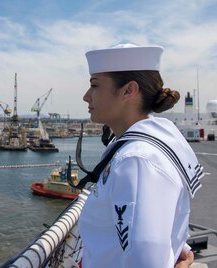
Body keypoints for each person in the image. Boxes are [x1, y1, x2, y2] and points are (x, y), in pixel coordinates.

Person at [77, 44, 203, 268]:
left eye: (94, 85)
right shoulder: (144, 145)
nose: (86, 96)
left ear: (128, 90)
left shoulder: (137, 160)